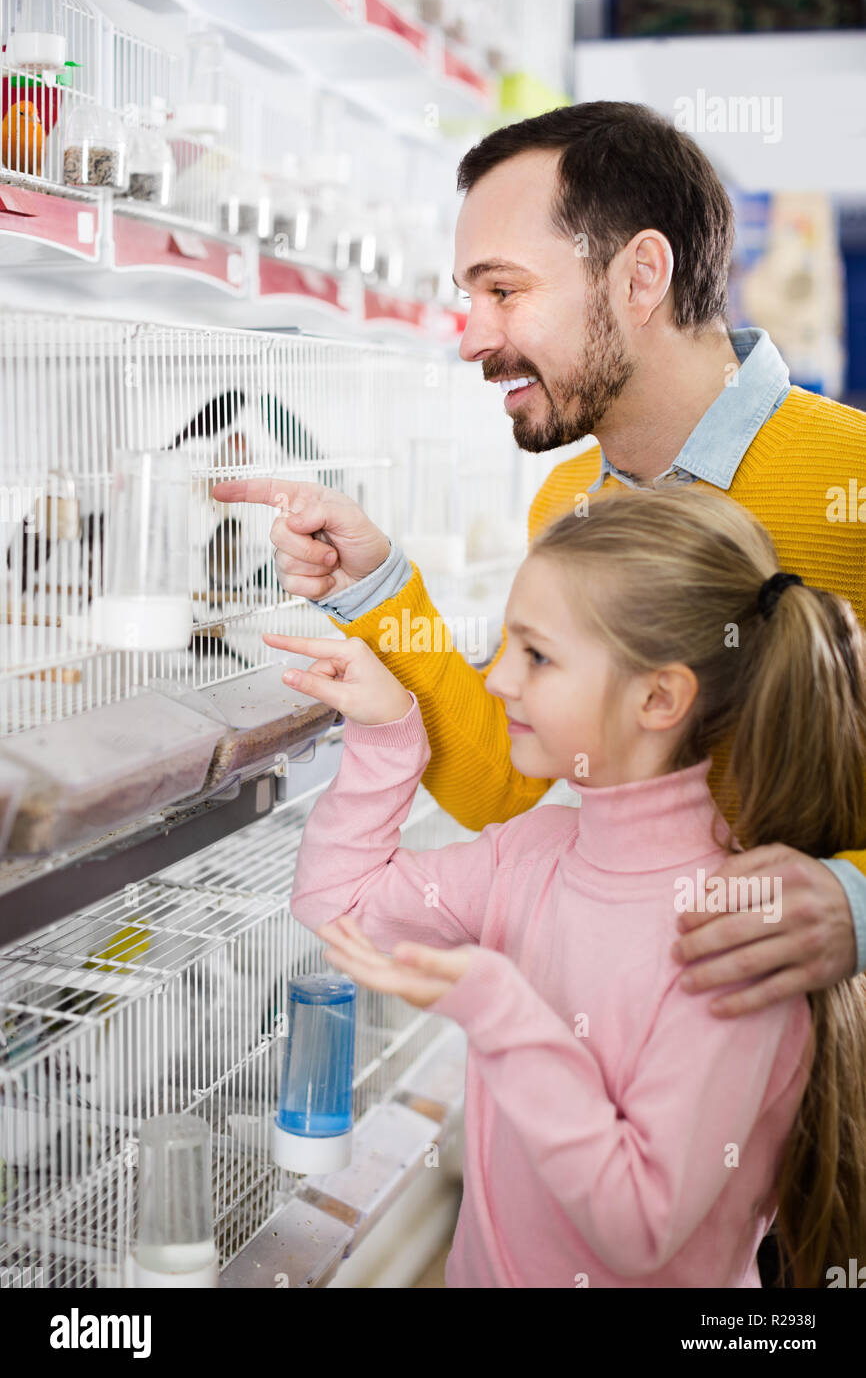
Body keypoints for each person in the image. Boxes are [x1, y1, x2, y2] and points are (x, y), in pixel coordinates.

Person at [213, 101, 866, 1021]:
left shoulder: (851, 478)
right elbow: (498, 784)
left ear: (641, 276)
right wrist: (376, 584)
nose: (473, 336)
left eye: (504, 291)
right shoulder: (569, 505)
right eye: (465, 297)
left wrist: (857, 905)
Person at [266, 485, 866, 1289]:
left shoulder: (738, 935)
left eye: (537, 656)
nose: (498, 681)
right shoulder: (537, 853)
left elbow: (639, 1226)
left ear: (659, 697)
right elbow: (337, 904)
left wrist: (500, 1008)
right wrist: (384, 732)